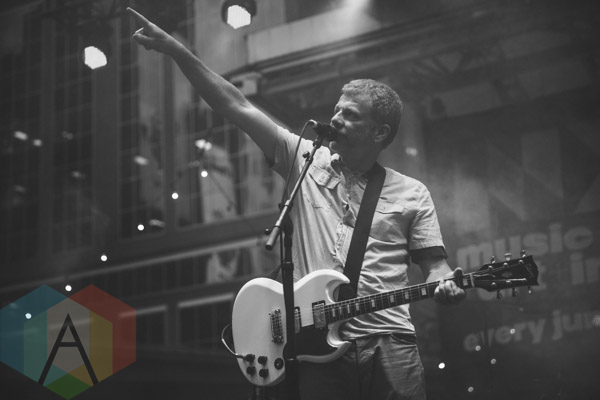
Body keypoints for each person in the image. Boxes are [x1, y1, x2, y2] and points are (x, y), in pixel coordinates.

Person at [127, 7, 466, 400]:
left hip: (390, 344)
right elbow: (235, 105)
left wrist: (446, 283)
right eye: (337, 109)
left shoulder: (411, 192)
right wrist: (176, 50)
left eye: (350, 115)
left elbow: (435, 266)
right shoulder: (304, 158)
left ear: (379, 133)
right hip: (318, 351)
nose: (336, 119)